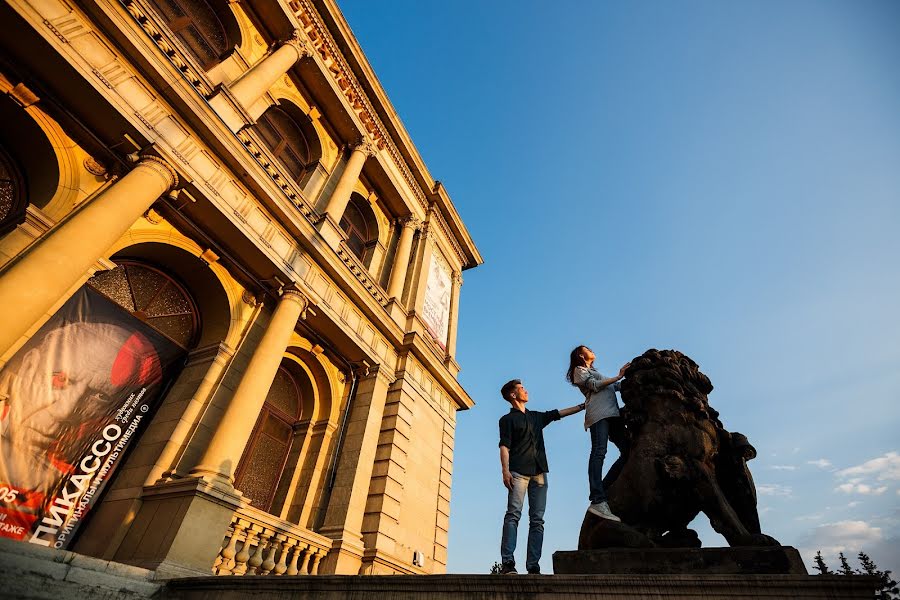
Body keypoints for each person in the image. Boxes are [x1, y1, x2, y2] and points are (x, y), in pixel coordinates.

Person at [497, 378, 585, 575]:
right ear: (513, 395)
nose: (526, 391)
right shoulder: (507, 420)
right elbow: (504, 446)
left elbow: (558, 414)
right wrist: (505, 471)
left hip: (539, 474)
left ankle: (533, 566)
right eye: (522, 389)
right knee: (513, 515)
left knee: (537, 520)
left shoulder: (536, 417)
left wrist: (583, 405)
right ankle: (508, 564)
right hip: (518, 472)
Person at [565, 345, 629, 521]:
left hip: (613, 414)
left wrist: (630, 378)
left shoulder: (593, 370)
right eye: (588, 349)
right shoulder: (579, 370)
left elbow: (614, 386)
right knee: (599, 452)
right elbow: (594, 386)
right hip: (599, 414)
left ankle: (603, 487)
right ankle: (597, 499)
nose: (592, 350)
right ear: (581, 354)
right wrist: (618, 376)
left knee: (628, 451)